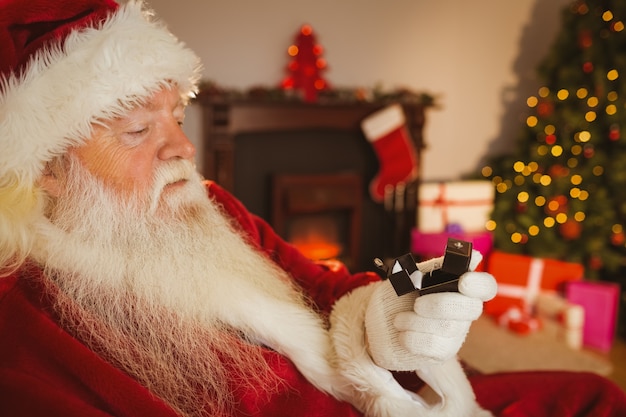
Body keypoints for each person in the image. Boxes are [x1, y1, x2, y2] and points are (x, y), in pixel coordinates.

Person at [1, 0, 625, 416]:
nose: (184, 147)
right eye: (138, 131)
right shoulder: (25, 319)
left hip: (383, 388)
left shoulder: (207, 204)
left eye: (178, 116)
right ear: (48, 168)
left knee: (592, 393)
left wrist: (394, 313)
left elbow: (320, 283)